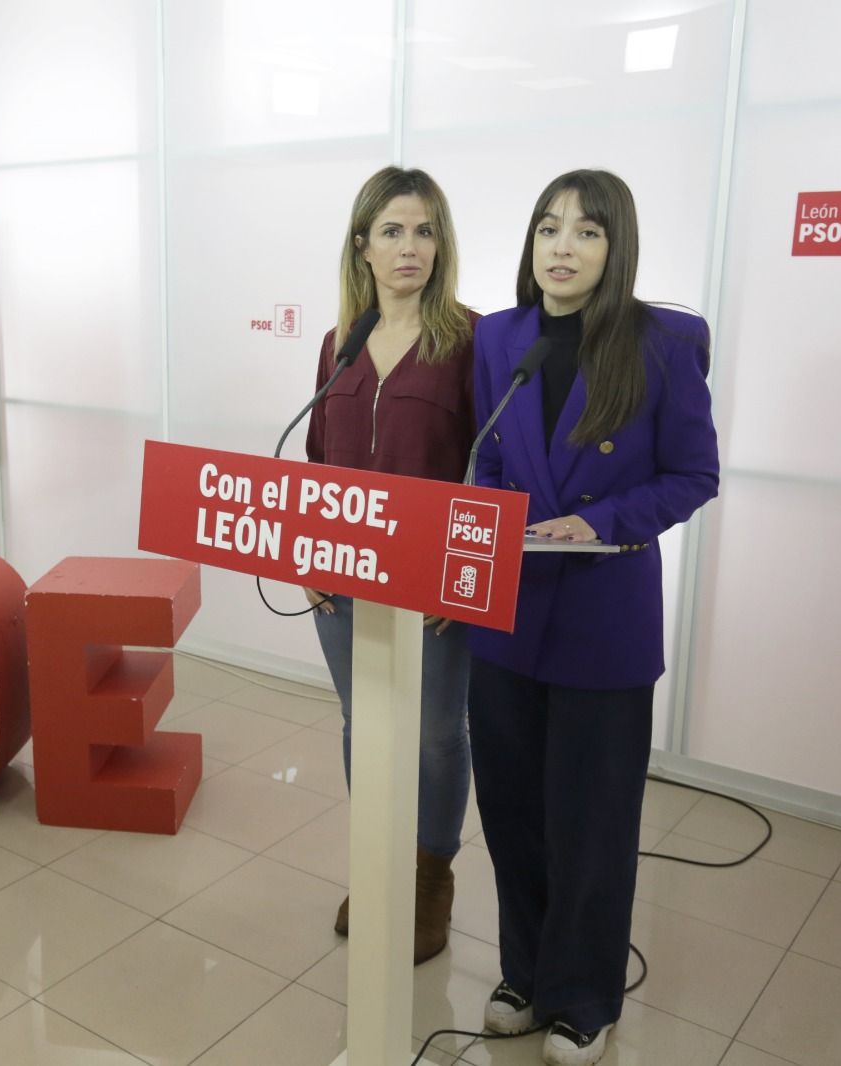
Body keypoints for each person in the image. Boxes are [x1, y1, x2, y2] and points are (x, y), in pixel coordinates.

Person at [465, 169, 719, 1065]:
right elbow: (487, 458)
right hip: (505, 612)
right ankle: (524, 973)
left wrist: (603, 522)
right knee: (511, 808)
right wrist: (493, 513)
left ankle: (584, 994)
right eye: (546, 228)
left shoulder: (661, 343)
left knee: (592, 817)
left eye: (585, 232)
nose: (561, 248)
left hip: (604, 613)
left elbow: (694, 475)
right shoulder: (499, 338)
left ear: (618, 249)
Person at [303, 166, 478, 964]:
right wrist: (308, 554)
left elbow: (490, 470)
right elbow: (315, 464)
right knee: (362, 721)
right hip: (343, 580)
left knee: (437, 732)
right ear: (363, 246)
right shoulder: (337, 347)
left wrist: (459, 572)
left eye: (425, 230)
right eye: (394, 231)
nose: (411, 247)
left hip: (432, 583)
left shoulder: (470, 341)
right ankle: (379, 859)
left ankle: (429, 873)